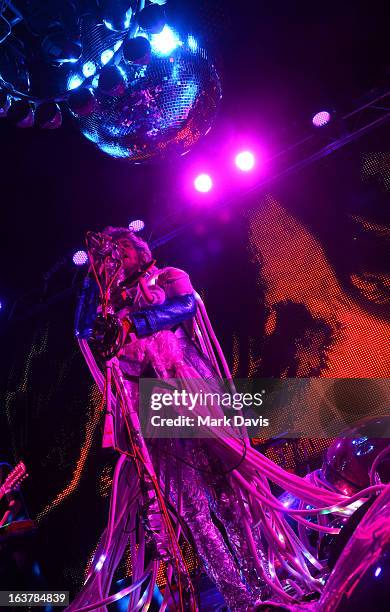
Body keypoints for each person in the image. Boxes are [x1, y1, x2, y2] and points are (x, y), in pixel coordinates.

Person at [68, 226, 381, 611]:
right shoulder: (108, 306)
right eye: (109, 254)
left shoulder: (167, 277)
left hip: (192, 395)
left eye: (121, 250)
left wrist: (136, 323)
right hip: (148, 411)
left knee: (231, 498)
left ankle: (263, 585)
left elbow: (185, 306)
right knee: (193, 512)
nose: (116, 257)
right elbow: (83, 330)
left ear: (138, 248)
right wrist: (91, 281)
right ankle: (239, 600)